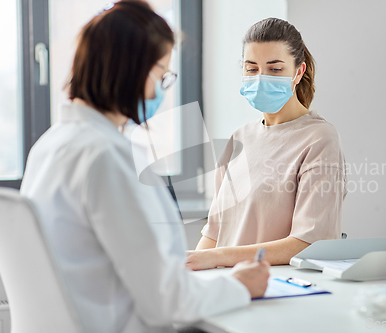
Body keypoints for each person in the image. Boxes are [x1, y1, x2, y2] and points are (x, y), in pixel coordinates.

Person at [20, 1, 269, 332]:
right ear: (133, 70)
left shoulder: (50, 145)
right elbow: (165, 302)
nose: (161, 91)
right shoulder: (104, 156)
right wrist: (240, 286)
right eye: (162, 75)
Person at [187, 18, 347, 271]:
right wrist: (188, 271)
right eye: (252, 69)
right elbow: (215, 233)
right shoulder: (239, 138)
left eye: (274, 69)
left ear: (298, 72)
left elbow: (310, 242)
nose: (261, 78)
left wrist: (217, 258)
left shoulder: (319, 138)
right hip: (229, 288)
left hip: (278, 291)